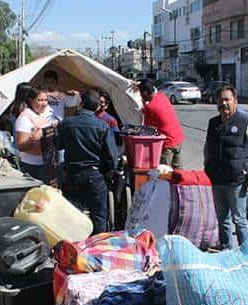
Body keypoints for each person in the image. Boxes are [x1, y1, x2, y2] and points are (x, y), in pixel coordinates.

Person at [204, 86, 248, 250]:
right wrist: (207, 167)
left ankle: (246, 253)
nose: (224, 103)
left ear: (235, 101)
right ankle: (226, 251)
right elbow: (207, 147)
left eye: (227, 99)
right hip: (217, 180)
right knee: (222, 219)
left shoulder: (245, 122)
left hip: (237, 181)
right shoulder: (213, 123)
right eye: (220, 100)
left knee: (240, 220)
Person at [56, 89, 119, 234]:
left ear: (81, 103)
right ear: (97, 106)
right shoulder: (102, 126)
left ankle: (75, 250)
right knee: (99, 216)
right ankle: (97, 249)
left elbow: (58, 145)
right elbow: (111, 156)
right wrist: (110, 171)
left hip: (72, 175)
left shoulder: (66, 123)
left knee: (73, 216)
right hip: (95, 175)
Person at [131, 78, 185, 168]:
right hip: (178, 139)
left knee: (164, 173)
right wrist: (141, 85)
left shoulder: (150, 108)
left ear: (144, 92)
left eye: (140, 93)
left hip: (168, 144)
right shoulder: (162, 96)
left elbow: (146, 128)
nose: (140, 96)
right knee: (178, 172)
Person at [11, 83, 57, 182]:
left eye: (45, 100)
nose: (44, 103)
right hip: (32, 167)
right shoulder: (24, 118)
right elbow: (21, 146)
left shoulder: (41, 114)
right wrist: (35, 138)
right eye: (40, 100)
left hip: (46, 163)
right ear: (31, 100)